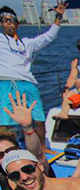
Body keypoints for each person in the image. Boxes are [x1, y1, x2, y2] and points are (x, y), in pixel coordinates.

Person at [0, 3, 67, 154]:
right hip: (5, 83)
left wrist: (59, 16)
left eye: (11, 20)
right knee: (4, 121)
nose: (8, 22)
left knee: (39, 119)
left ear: (17, 24)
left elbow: (49, 36)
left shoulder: (27, 43)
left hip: (28, 83)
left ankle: (42, 148)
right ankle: (6, 150)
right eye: (5, 20)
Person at [0, 92, 54, 190]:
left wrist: (27, 128)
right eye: (0, 154)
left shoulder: (32, 166)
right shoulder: (3, 174)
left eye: (10, 150)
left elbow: (37, 152)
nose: (6, 156)